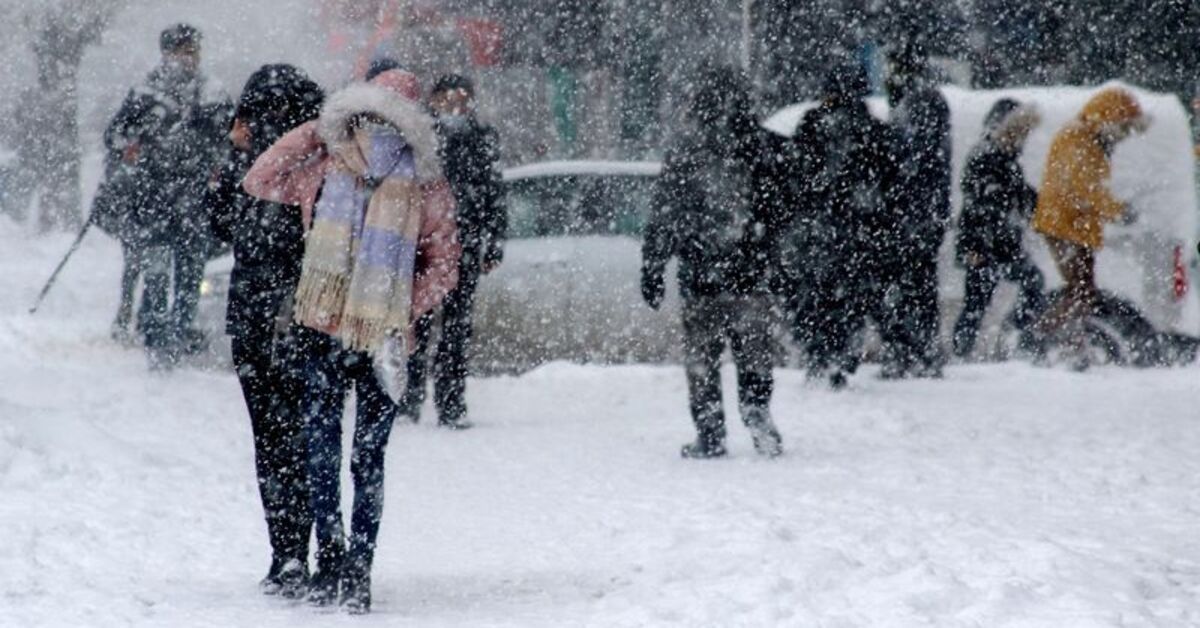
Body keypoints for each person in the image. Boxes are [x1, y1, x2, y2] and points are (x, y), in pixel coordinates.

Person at [243, 69, 460, 614]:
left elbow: (445, 265)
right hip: (349, 335)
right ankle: (349, 565)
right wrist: (320, 130)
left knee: (338, 453)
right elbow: (260, 178)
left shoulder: (393, 176)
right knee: (354, 457)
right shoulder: (343, 166)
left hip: (355, 336)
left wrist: (394, 306)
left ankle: (344, 563)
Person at [206, 64, 324, 598]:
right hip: (292, 316)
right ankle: (302, 548)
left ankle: (291, 550)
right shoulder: (315, 161)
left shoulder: (301, 165)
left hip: (278, 315)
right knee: (297, 437)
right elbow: (218, 223)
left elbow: (217, 223)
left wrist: (234, 155)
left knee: (278, 441)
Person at [640, 65, 785, 459]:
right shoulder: (764, 147)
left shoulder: (686, 151)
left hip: (702, 275)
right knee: (754, 356)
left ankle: (710, 432)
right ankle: (757, 416)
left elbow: (665, 215)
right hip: (751, 275)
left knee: (702, 360)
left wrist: (653, 266)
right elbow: (783, 213)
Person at [105, 23, 230, 365]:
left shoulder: (212, 92)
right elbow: (115, 136)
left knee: (189, 277)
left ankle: (175, 336)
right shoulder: (146, 93)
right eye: (182, 51)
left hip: (194, 201)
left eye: (192, 51)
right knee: (158, 274)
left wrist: (217, 164)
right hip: (154, 200)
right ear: (166, 53)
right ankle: (157, 337)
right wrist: (132, 145)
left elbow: (228, 141)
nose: (187, 58)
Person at [398, 74, 505, 429]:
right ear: (435, 99)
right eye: (450, 98)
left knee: (457, 329)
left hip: (465, 244)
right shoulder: (420, 137)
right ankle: (410, 398)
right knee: (418, 324)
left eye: (464, 98)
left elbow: (494, 192)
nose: (458, 106)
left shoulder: (482, 138)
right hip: (424, 246)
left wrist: (494, 242)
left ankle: (451, 403)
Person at [786, 62, 902, 389]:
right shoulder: (874, 130)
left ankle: (817, 355)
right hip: (861, 232)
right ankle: (842, 355)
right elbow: (892, 184)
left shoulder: (811, 124)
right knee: (852, 298)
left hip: (818, 231)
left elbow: (794, 175)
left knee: (815, 296)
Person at [1031, 87, 1149, 370]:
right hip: (1065, 227)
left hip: (1073, 226)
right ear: (1109, 119)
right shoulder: (1078, 139)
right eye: (1124, 128)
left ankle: (1066, 341)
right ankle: (1044, 338)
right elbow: (1087, 188)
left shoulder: (1088, 137)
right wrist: (1118, 211)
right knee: (1081, 291)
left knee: (1082, 291)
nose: (1124, 136)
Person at [951, 99, 1046, 359]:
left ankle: (1012, 331)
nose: (1023, 139)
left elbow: (1020, 197)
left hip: (1001, 243)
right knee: (977, 302)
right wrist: (975, 247)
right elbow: (981, 205)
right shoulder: (985, 156)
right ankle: (965, 349)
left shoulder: (1006, 158)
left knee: (1026, 284)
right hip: (983, 245)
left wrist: (1041, 206)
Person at [885, 43, 952, 378]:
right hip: (921, 212)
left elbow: (912, 159)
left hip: (914, 214)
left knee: (913, 284)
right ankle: (916, 350)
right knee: (917, 284)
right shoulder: (925, 101)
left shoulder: (919, 103)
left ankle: (913, 352)